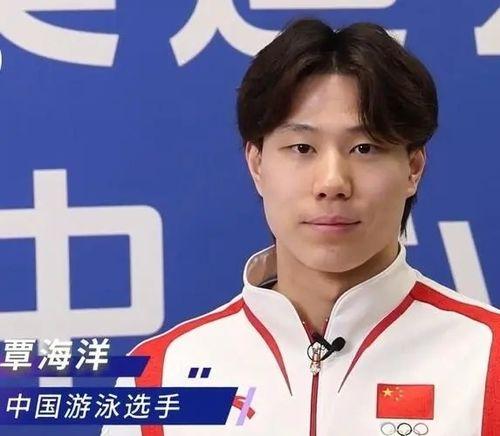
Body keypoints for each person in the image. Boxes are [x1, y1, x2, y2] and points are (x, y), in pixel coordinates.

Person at [102, 18, 500, 436]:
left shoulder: (486, 358)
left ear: (413, 168)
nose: (332, 182)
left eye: (364, 148)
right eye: (302, 147)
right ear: (257, 165)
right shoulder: (158, 378)